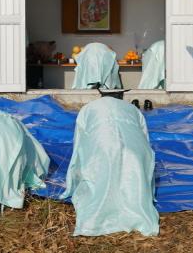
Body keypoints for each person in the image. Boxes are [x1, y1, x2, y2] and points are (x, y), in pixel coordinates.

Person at [60, 97, 159, 236]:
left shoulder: (88, 109)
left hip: (104, 149)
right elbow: (144, 137)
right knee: (132, 164)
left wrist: (73, 179)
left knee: (104, 165)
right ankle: (134, 207)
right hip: (133, 153)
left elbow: (80, 145)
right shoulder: (133, 110)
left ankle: (99, 216)